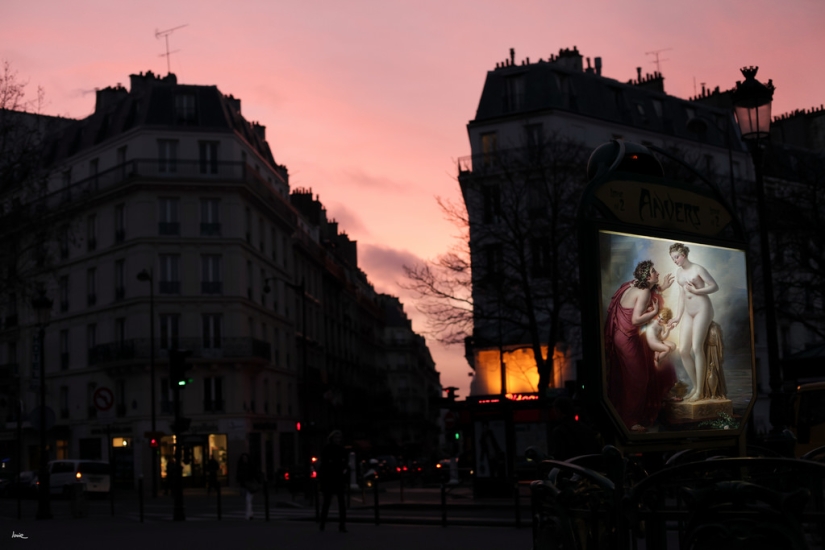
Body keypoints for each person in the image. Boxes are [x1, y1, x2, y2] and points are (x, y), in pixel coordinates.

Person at [605, 260, 674, 432]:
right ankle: (629, 421)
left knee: (632, 377)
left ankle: (628, 416)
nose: (657, 273)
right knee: (638, 379)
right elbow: (636, 320)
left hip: (622, 335)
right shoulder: (644, 292)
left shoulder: (634, 285)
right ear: (647, 276)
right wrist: (654, 312)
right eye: (654, 271)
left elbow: (644, 295)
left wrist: (660, 288)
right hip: (627, 338)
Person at [668, 243, 719, 402]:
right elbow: (682, 296)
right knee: (683, 350)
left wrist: (697, 291)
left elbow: (714, 286)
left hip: (702, 309)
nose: (675, 260)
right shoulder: (679, 273)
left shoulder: (698, 269)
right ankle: (697, 387)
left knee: (697, 347)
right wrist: (677, 316)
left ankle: (701, 391)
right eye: (672, 258)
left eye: (676, 257)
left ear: (683, 254)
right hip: (689, 312)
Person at [550, 396, 602, 461]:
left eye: (555, 411)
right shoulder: (586, 429)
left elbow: (559, 457)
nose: (554, 414)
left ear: (559, 411)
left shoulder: (559, 432)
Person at [318, 430, 348, 532]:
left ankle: (342, 525)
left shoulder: (341, 449)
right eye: (336, 438)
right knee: (327, 502)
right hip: (330, 478)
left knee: (340, 503)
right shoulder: (328, 449)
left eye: (339, 438)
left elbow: (345, 463)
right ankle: (323, 523)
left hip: (337, 478)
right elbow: (324, 465)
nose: (338, 440)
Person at [236, 453, 260, 520]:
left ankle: (248, 515)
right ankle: (250, 513)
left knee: (248, 500)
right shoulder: (241, 466)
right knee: (247, 500)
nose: (244, 459)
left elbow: (255, 474)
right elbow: (238, 476)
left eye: (245, 458)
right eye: (243, 458)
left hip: (250, 485)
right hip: (244, 485)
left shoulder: (250, 466)